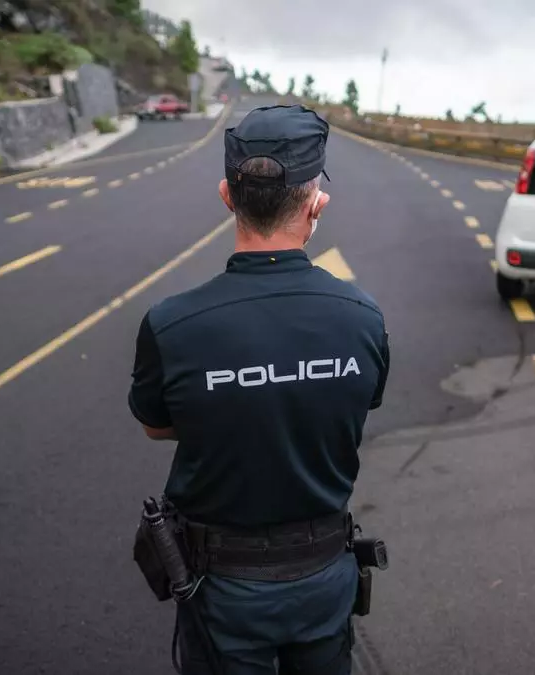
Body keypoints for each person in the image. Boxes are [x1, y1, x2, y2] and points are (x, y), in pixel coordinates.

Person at [128, 104, 391, 674]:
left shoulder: (172, 323)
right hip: (325, 574)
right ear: (317, 201)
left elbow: (155, 424)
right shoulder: (363, 318)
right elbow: (356, 405)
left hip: (221, 588)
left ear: (228, 194)